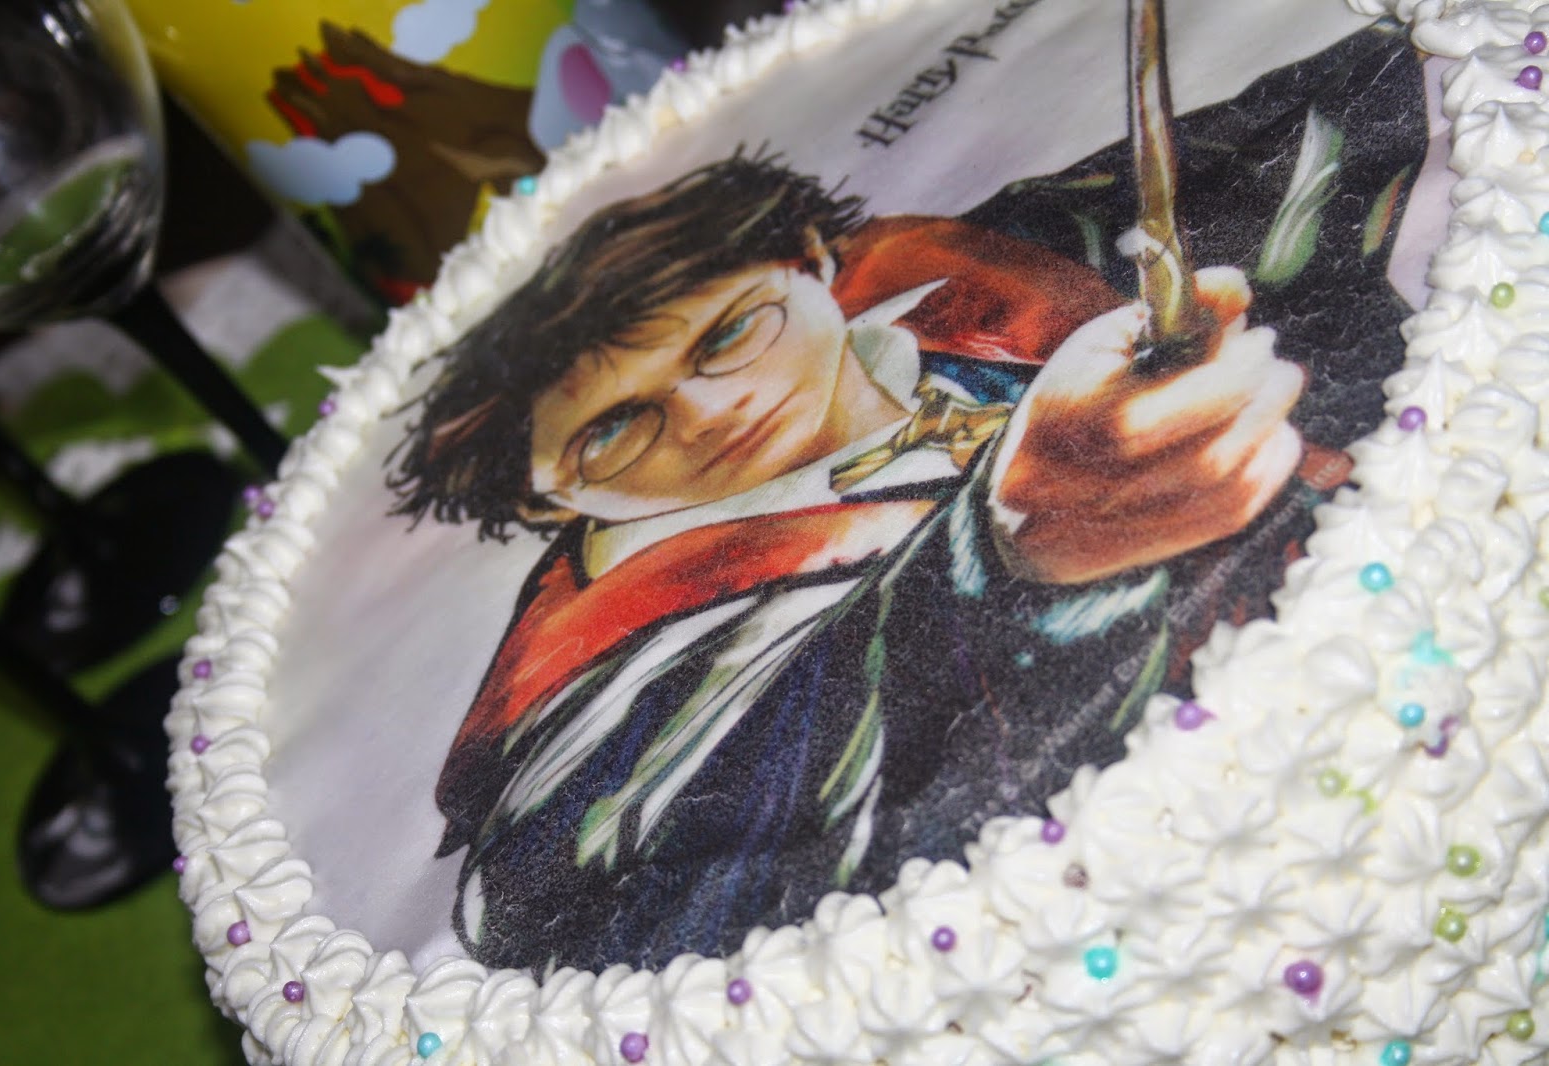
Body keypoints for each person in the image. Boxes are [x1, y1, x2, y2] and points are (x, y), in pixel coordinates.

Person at [385, 144, 1316, 970]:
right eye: (615, 428)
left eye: (730, 333)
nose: (709, 415)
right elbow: (655, 902)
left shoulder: (987, 280)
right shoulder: (584, 701)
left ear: (813, 261)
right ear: (541, 497)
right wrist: (994, 557)